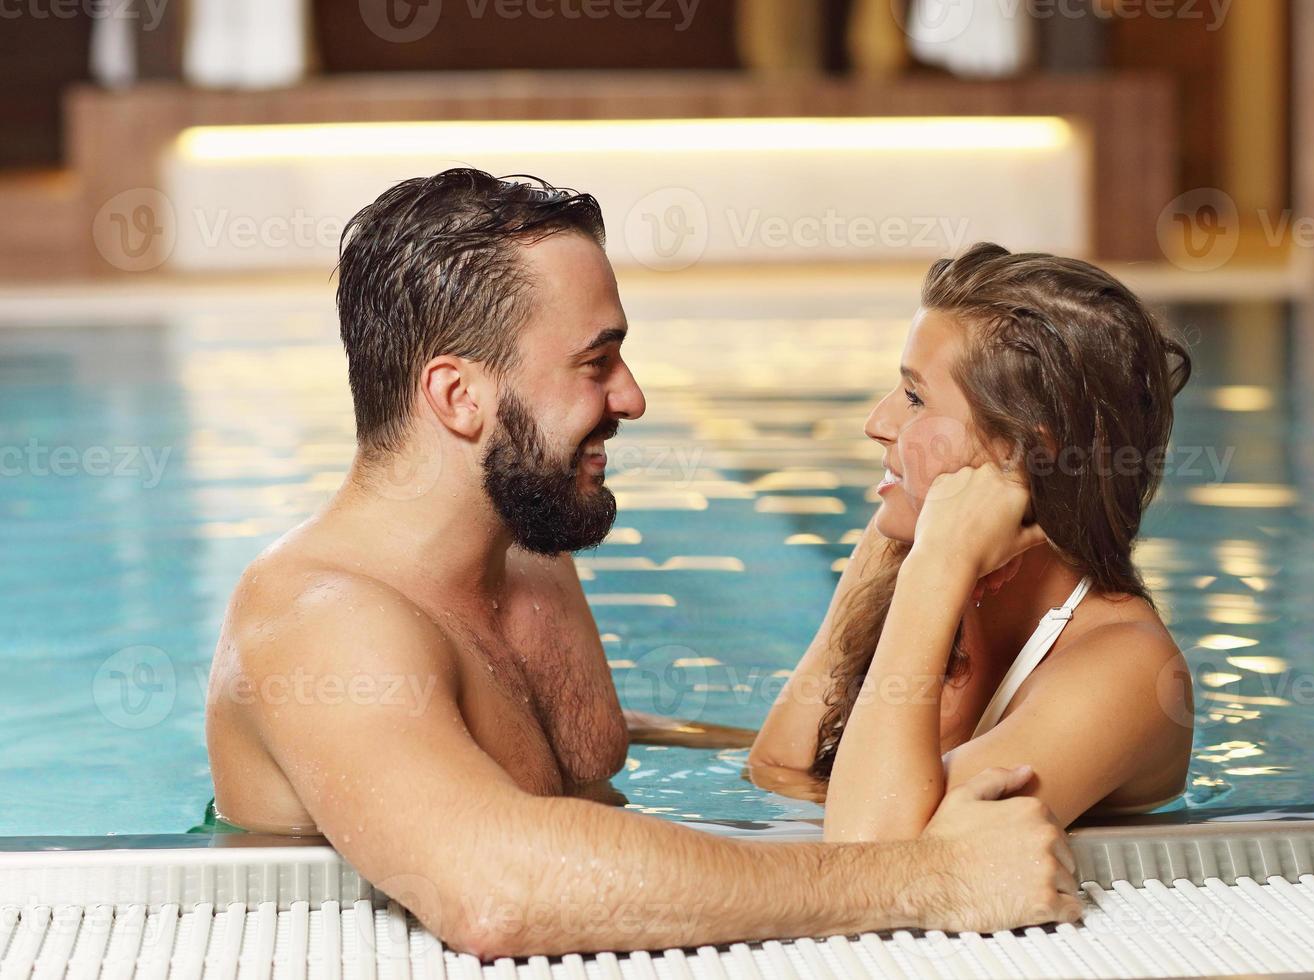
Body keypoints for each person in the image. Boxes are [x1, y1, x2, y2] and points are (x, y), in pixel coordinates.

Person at [204, 169, 1080, 958]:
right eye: (596, 364)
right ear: (458, 396)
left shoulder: (529, 556)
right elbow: (496, 892)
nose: (632, 396)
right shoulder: (320, 621)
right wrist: (926, 880)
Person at [749, 244, 1197, 840]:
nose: (877, 421)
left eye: (914, 398)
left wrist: (939, 568)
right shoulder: (903, 536)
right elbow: (778, 764)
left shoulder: (1127, 672)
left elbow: (871, 858)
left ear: (1023, 452)